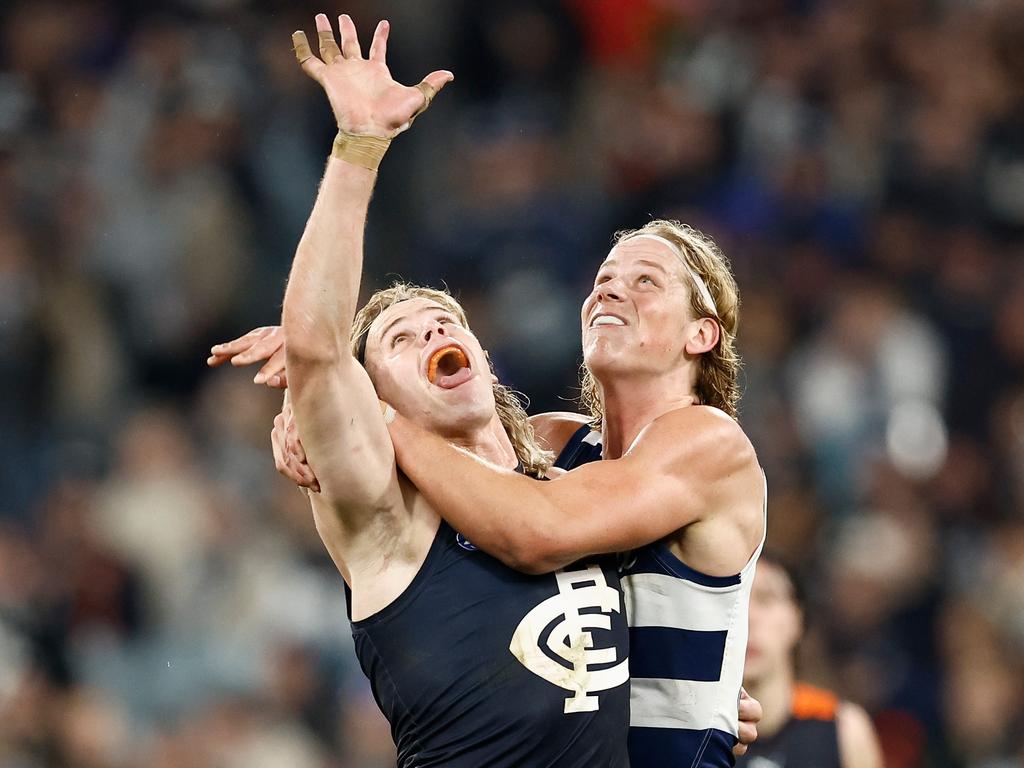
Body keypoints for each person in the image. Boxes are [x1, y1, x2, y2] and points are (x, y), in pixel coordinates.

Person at [211, 15, 765, 768]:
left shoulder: (697, 445)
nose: (610, 290)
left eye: (645, 281)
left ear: (702, 334)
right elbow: (321, 354)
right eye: (603, 278)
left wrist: (373, 409)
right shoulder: (559, 453)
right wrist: (320, 390)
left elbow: (535, 531)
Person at [250, 13, 633, 767]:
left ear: (485, 361)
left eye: (443, 322)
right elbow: (319, 349)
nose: (428, 333)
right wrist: (360, 145)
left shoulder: (583, 465)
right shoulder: (386, 512)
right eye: (400, 339)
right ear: (374, 398)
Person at [734, 555, 885, 768]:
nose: (748, 617)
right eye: (735, 600)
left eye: (766, 599)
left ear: (799, 618)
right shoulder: (691, 727)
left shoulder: (841, 727)